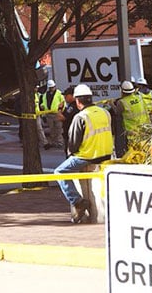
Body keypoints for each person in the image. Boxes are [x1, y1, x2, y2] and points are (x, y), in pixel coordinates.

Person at [54, 84, 113, 224]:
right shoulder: (105, 112)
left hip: (87, 156)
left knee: (59, 172)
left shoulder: (81, 117)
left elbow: (73, 144)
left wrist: (71, 154)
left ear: (78, 101)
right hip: (106, 154)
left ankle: (78, 202)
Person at [112, 80, 149, 157]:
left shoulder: (122, 102)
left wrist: (111, 103)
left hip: (132, 132)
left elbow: (117, 112)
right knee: (144, 151)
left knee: (134, 154)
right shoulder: (139, 97)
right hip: (144, 129)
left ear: (122, 91)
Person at [38, 79, 64, 149]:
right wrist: (43, 106)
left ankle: (60, 142)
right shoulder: (45, 95)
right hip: (49, 114)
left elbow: (62, 102)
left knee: (58, 128)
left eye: (53, 87)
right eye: (50, 87)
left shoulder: (59, 94)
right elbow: (43, 102)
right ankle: (53, 142)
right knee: (52, 129)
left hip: (57, 114)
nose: (52, 89)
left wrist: (60, 111)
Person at [60, 86, 79, 155]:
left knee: (70, 153)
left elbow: (61, 118)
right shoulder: (71, 105)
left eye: (66, 95)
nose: (64, 97)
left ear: (72, 95)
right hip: (71, 133)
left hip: (71, 133)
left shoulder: (73, 106)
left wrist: (59, 109)